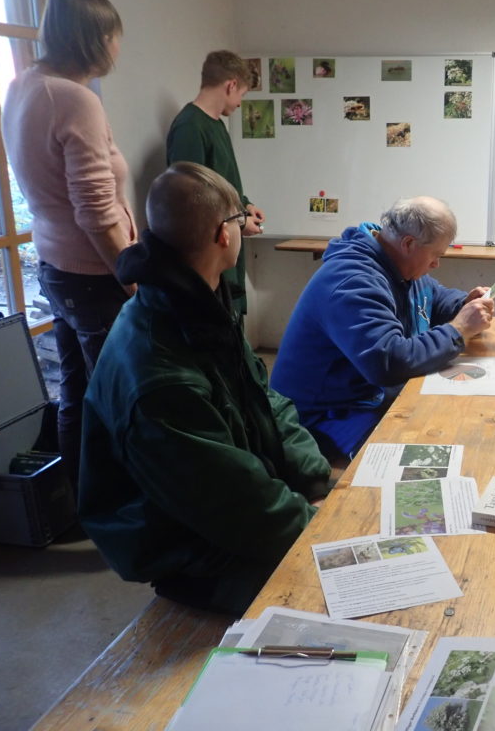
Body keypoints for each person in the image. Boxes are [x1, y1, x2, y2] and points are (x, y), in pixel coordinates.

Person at [78, 162, 331, 616]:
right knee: (345, 603)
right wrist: (321, 528)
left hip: (238, 518)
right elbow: (231, 505)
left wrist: (314, 479)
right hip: (195, 554)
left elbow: (265, 398)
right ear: (223, 234)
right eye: (241, 219)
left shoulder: (197, 304)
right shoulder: (161, 374)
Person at [2, 0, 136, 491]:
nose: (118, 46)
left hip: (57, 267)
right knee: (117, 397)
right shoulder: (75, 99)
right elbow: (96, 211)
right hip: (94, 273)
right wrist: (130, 277)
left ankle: (83, 503)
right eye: (114, 35)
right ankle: (119, 509)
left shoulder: (25, 84)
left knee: (77, 392)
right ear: (95, 38)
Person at [270, 196, 493, 459]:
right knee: (419, 455)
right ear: (408, 243)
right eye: (436, 255)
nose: (436, 264)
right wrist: (459, 330)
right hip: (323, 415)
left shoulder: (399, 264)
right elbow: (388, 362)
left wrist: (464, 305)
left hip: (366, 395)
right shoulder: (352, 280)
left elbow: (433, 298)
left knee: (454, 423)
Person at [166, 50, 265, 320]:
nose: (241, 103)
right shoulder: (190, 127)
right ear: (231, 85)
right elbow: (191, 202)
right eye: (242, 94)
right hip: (207, 259)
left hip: (226, 248)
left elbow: (223, 181)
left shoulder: (217, 125)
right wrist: (239, 223)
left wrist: (245, 206)